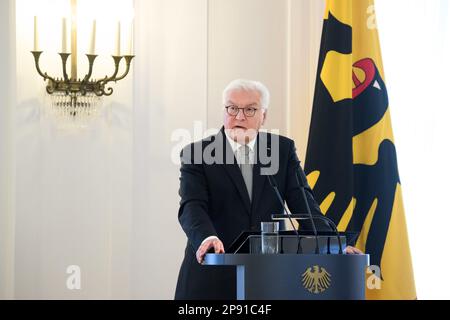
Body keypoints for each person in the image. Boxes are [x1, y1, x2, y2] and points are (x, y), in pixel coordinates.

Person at [174, 79, 362, 300]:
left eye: (250, 109)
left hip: (268, 278)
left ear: (263, 116)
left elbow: (304, 203)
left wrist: (334, 246)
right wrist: (207, 238)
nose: (239, 116)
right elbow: (191, 206)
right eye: (232, 108)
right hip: (211, 277)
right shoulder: (197, 153)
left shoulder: (281, 150)